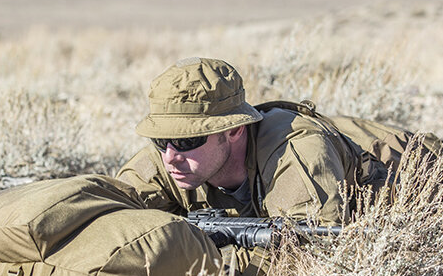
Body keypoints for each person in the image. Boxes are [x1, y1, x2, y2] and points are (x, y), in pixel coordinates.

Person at [117, 57, 441, 227]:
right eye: (161, 139)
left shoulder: (296, 149)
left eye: (188, 141)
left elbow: (308, 257)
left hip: (421, 175)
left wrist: (208, 259)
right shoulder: (169, 156)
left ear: (233, 130)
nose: (171, 156)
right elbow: (108, 212)